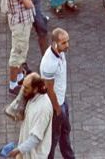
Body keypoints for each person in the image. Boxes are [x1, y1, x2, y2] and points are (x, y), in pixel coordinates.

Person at [39, 26, 75, 156]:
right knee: (53, 138)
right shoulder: (49, 63)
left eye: (67, 41)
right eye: (64, 42)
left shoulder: (60, 52)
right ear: (55, 43)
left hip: (62, 100)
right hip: (56, 105)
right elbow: (49, 89)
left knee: (66, 130)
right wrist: (58, 109)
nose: (67, 45)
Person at [13, 73, 54, 159]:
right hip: (26, 151)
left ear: (35, 89)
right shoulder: (32, 96)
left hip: (35, 155)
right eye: (23, 86)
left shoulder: (43, 108)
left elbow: (35, 138)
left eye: (26, 88)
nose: (23, 90)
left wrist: (18, 150)